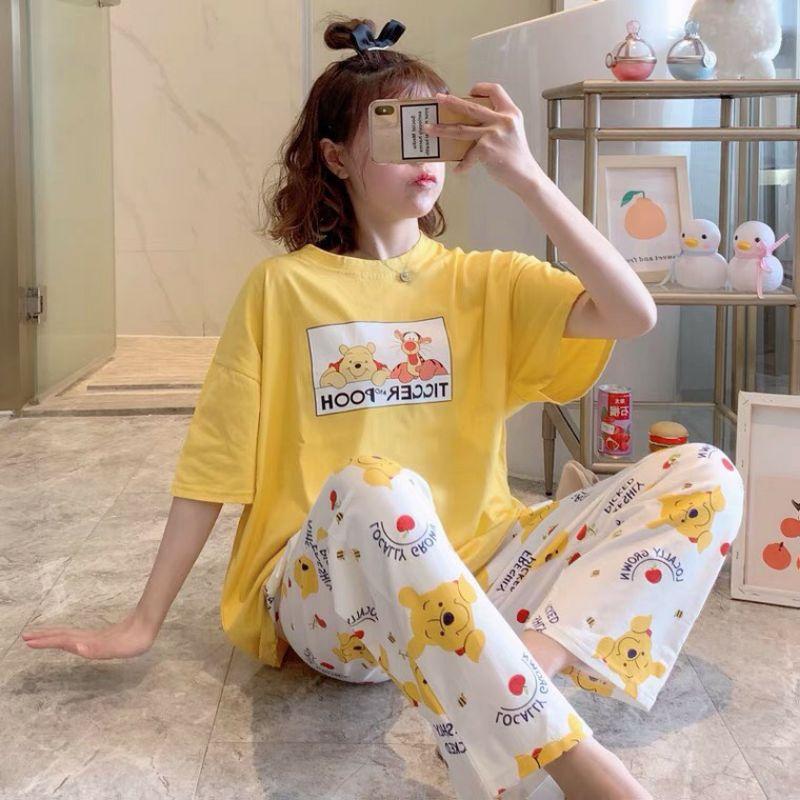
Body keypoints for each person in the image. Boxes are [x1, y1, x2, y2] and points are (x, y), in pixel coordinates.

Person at [21, 16, 745, 800]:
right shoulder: (282, 289)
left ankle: (518, 688)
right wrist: (143, 620)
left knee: (707, 475)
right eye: (399, 133)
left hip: (473, 576)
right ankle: (568, 760)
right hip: (330, 602)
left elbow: (633, 313)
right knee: (376, 486)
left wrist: (529, 179)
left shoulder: (484, 280)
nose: (423, 156)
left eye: (434, 131)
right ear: (336, 158)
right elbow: (213, 465)